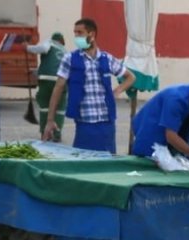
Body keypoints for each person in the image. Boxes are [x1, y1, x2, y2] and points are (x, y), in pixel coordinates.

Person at [43, 18, 135, 152]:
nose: (76, 37)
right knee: (84, 163)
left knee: (107, 163)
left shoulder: (107, 59)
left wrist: (118, 90)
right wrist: (50, 120)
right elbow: (58, 88)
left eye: (80, 33)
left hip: (107, 122)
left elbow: (131, 77)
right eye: (75, 33)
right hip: (84, 122)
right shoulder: (70, 59)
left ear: (91, 35)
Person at [130, 70, 189, 168]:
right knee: (149, 167)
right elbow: (171, 136)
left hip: (176, 140)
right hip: (152, 136)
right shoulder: (176, 98)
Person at [26, 32, 67, 142]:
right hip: (62, 81)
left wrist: (27, 47)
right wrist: (35, 72)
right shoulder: (65, 51)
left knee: (45, 107)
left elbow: (43, 49)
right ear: (62, 40)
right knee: (60, 108)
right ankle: (57, 134)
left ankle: (45, 133)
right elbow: (54, 65)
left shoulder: (49, 43)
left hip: (47, 80)